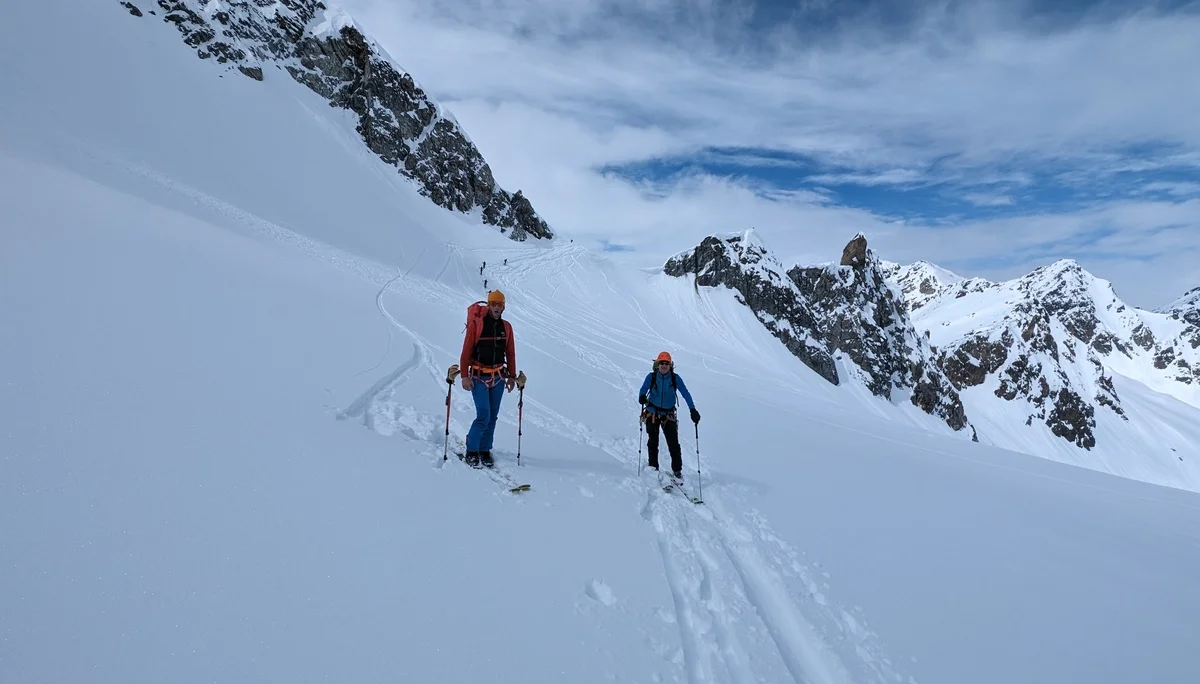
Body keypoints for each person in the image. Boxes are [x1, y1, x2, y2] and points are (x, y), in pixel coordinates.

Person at [459, 290, 517, 467]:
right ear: (489, 305)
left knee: (493, 417)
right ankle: (471, 450)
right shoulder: (477, 324)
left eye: (500, 304)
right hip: (478, 376)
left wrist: (512, 377)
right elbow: (466, 351)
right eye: (494, 303)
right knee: (483, 414)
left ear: (504, 307)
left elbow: (510, 353)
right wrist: (464, 376)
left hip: (498, 377)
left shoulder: (506, 327)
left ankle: (484, 450)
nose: (497, 307)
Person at [638, 351, 700, 480]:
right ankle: (653, 467)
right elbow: (643, 389)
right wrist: (642, 397)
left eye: (666, 363)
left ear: (670, 365)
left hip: (668, 414)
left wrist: (692, 409)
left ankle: (677, 471)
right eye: (662, 363)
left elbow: (685, 393)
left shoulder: (675, 378)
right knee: (653, 441)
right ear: (657, 364)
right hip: (652, 412)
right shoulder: (652, 377)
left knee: (674, 444)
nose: (664, 366)